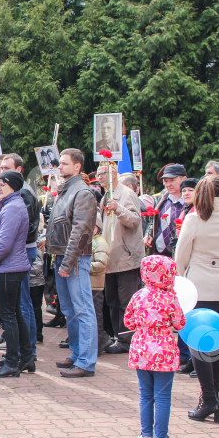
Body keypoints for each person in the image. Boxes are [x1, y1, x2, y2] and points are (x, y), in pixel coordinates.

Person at [174, 175, 219, 422]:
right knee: (216, 344)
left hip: (200, 287)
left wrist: (180, 284)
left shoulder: (195, 218)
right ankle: (213, 397)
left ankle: (209, 398)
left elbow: (180, 256)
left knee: (199, 346)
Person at [125, 255, 186, 438]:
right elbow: (180, 324)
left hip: (141, 350)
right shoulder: (170, 297)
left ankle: (146, 436)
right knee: (162, 397)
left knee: (145, 395)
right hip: (164, 352)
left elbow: (128, 322)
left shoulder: (138, 296)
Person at [46, 148, 99, 378]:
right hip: (62, 256)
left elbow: (80, 231)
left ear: (77, 167)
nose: (60, 167)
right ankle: (78, 353)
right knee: (69, 309)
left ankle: (86, 361)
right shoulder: (66, 190)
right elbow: (59, 224)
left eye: (65, 164)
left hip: (75, 258)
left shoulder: (82, 192)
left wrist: (68, 262)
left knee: (83, 309)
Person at [0, 171, 32, 377]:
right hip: (12, 267)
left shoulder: (12, 208)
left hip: (9, 268)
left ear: (12, 186)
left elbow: (4, 244)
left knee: (8, 316)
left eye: (2, 185)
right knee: (15, 313)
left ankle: (12, 362)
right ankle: (26, 357)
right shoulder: (12, 205)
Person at [96, 163, 144, 354]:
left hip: (125, 257)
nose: (99, 177)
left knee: (127, 302)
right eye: (98, 174)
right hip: (110, 257)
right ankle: (118, 336)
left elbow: (134, 221)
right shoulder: (106, 195)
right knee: (112, 301)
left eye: (102, 174)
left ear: (113, 173)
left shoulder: (126, 194)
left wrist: (118, 209)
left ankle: (127, 339)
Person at [145, 164, 188, 257]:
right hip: (160, 255)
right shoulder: (162, 198)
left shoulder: (190, 202)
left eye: (172, 180)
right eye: (166, 181)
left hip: (180, 256)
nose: (168, 185)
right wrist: (148, 235)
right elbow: (153, 222)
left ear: (184, 179)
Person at [89, 216, 111, 354]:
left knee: (96, 316)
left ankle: (100, 342)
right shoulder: (91, 241)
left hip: (96, 285)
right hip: (90, 284)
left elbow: (102, 264)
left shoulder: (100, 242)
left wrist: (85, 266)